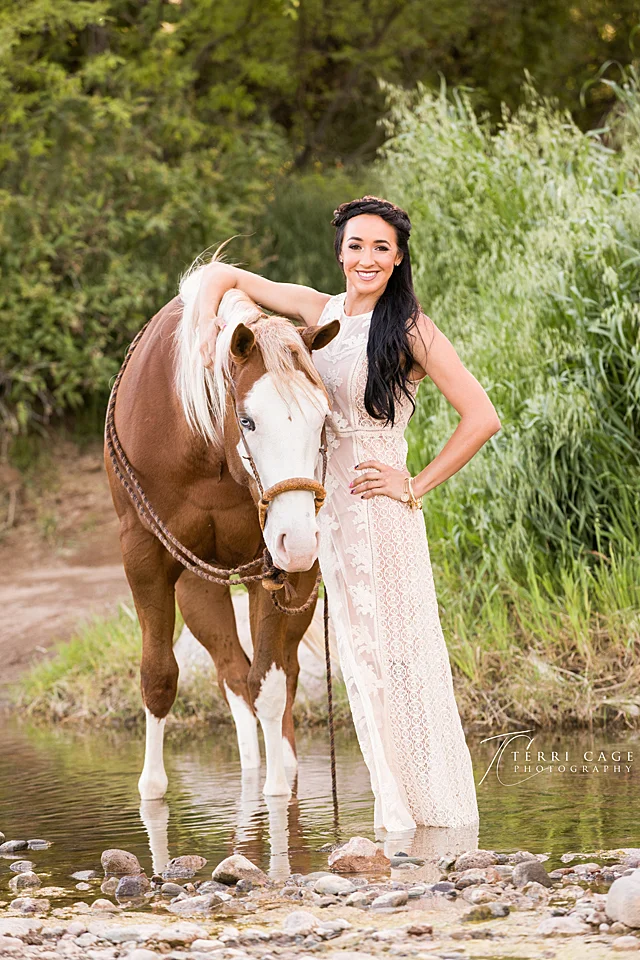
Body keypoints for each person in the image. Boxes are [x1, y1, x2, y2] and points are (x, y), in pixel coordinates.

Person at [196, 195, 500, 838]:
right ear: (339, 252)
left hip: (381, 512)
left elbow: (482, 417)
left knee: (395, 654)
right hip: (326, 512)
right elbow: (225, 278)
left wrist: (413, 484)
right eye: (356, 245)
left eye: (381, 248)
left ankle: (423, 813)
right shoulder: (318, 310)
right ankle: (398, 811)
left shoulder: (411, 328)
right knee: (358, 661)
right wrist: (203, 328)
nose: (367, 258)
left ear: (398, 258)